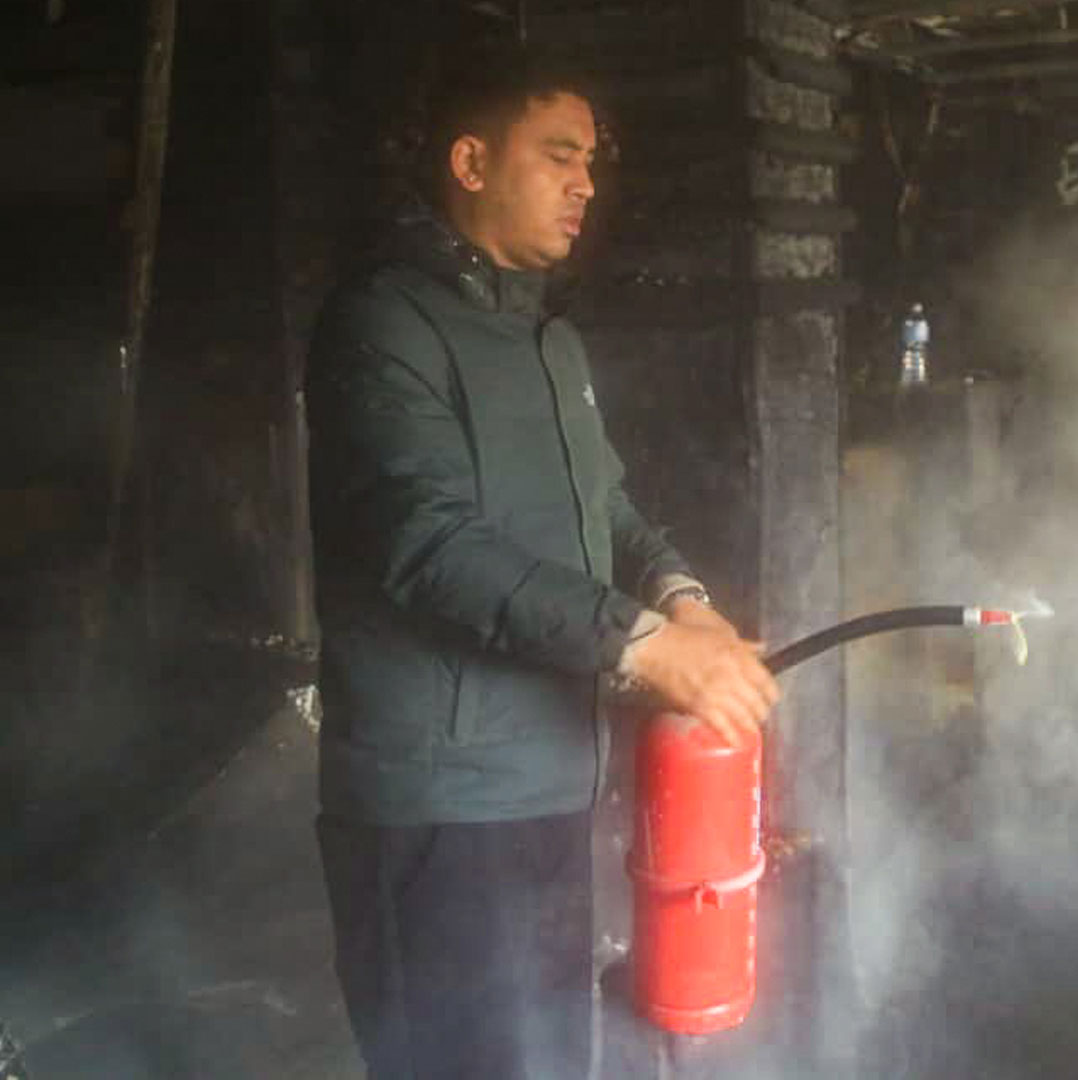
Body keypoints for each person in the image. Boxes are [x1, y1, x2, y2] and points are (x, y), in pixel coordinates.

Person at [302, 45, 781, 1079]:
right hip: (438, 805)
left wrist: (681, 597)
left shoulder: (550, 342)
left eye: (592, 162)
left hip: (556, 777)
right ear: (472, 162)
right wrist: (642, 645)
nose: (586, 185)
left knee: (552, 1059)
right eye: (560, 156)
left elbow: (606, 504)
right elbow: (424, 541)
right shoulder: (382, 323)